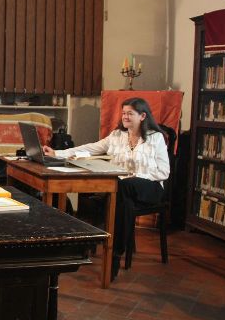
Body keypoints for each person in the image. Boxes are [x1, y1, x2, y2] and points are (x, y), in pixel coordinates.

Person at [43, 97, 170, 281]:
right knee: (115, 196)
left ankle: (99, 247)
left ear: (142, 116)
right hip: (122, 189)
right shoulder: (117, 136)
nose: (125, 117)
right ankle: (114, 254)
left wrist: (136, 178)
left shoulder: (154, 137)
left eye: (130, 114)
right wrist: (58, 153)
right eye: (124, 113)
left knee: (121, 188)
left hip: (150, 186)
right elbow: (92, 148)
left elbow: (164, 172)